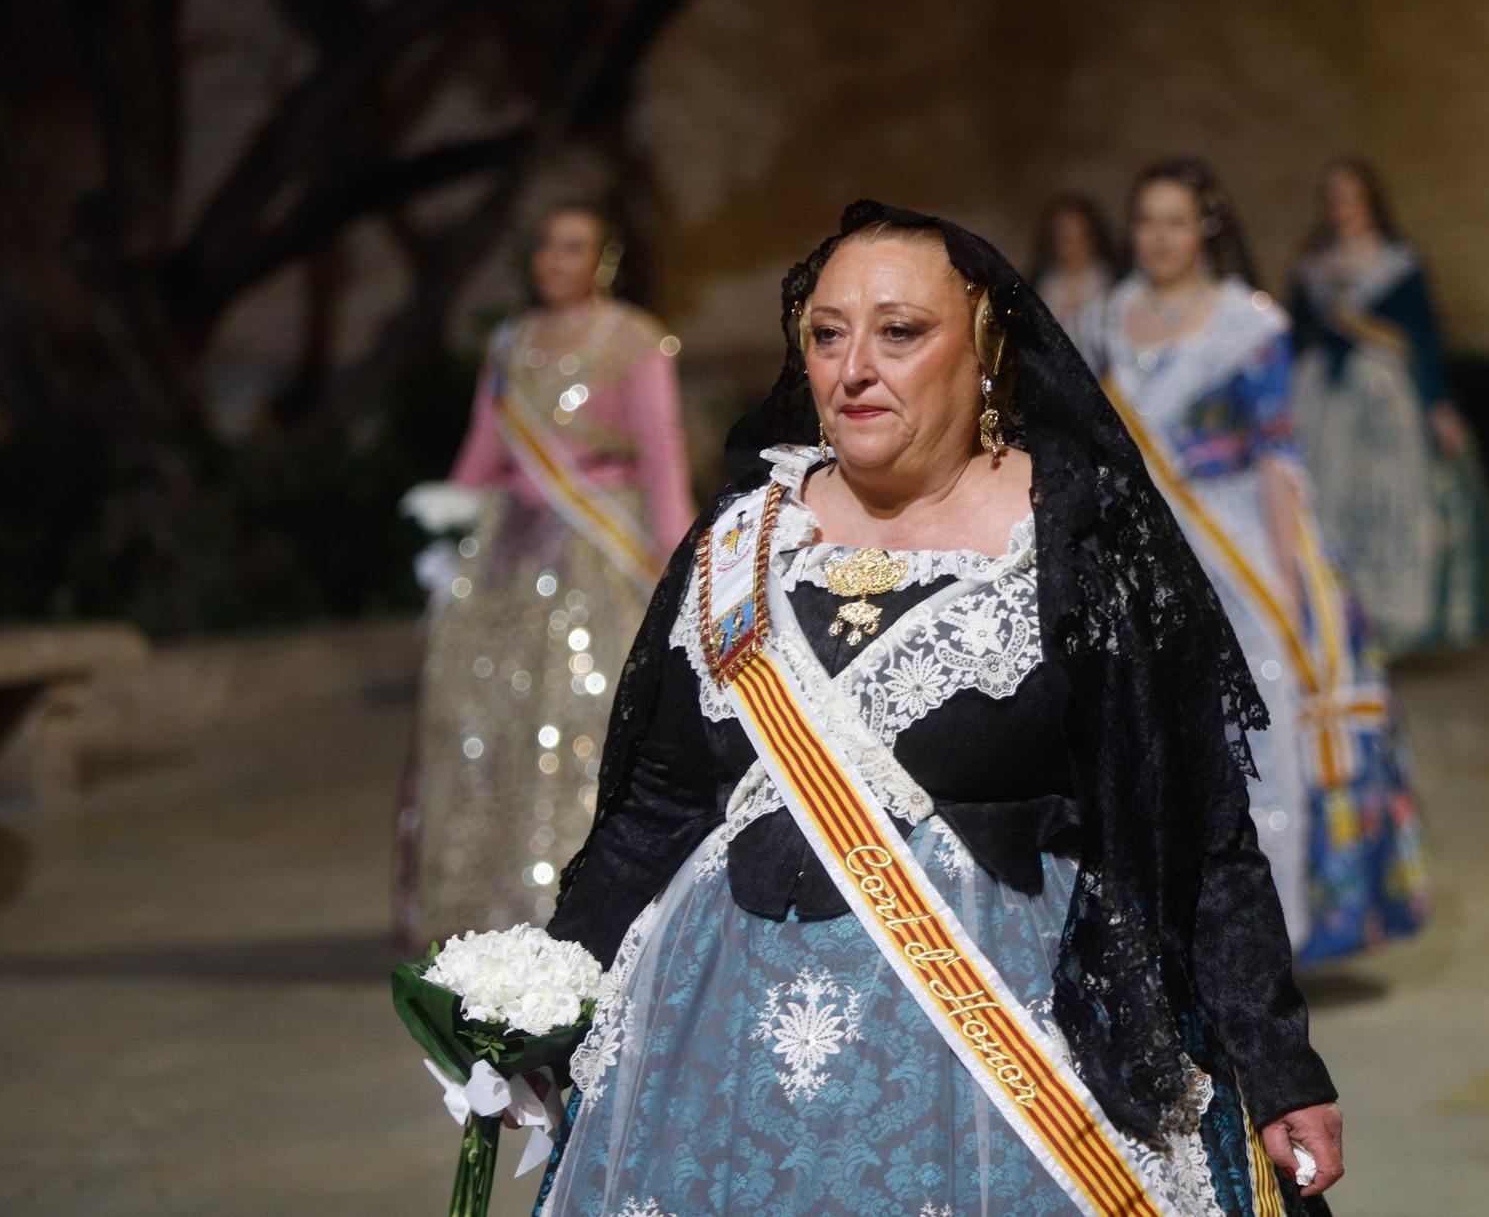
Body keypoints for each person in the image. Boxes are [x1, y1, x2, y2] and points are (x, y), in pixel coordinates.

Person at [535, 201, 1346, 1214]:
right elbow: (655, 806)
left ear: (987, 349)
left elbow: (1195, 829)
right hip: (715, 1062)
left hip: (1000, 1068)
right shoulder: (745, 539)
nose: (852, 367)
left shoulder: (1070, 543)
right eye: (827, 334)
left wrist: (1277, 1063)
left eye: (900, 332)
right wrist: (534, 995)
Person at [1074, 158, 1426, 967]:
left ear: (1207, 228)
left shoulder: (1248, 324)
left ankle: (1271, 927)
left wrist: (1289, 582)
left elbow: (1276, 455)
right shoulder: (1104, 318)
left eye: (1175, 221)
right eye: (1146, 221)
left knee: (1255, 723)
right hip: (1133, 544)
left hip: (1232, 539)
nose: (1158, 238)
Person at [398, 204, 694, 947]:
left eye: (573, 247)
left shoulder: (633, 340)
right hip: (508, 554)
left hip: (598, 550)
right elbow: (483, 447)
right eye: (544, 247)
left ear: (604, 257)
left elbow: (662, 458)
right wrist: (450, 517)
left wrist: (678, 559)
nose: (554, 261)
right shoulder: (510, 341)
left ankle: (589, 899)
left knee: (587, 719)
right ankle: (487, 906)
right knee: (486, 723)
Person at [1286, 157, 1489, 655]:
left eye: (1352, 197)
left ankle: (1388, 616)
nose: (1343, 208)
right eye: (1334, 198)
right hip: (1321, 404)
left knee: (1387, 502)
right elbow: (1293, 340)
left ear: (1369, 201)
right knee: (1326, 495)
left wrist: (1439, 405)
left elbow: (1423, 340)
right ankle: (1329, 609)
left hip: (1384, 406)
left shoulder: (1398, 265)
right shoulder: (1312, 268)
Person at [1029, 192, 1118, 328]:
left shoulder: (1114, 286)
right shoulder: (1039, 289)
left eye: (1079, 237)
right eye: (1065, 238)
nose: (1072, 247)